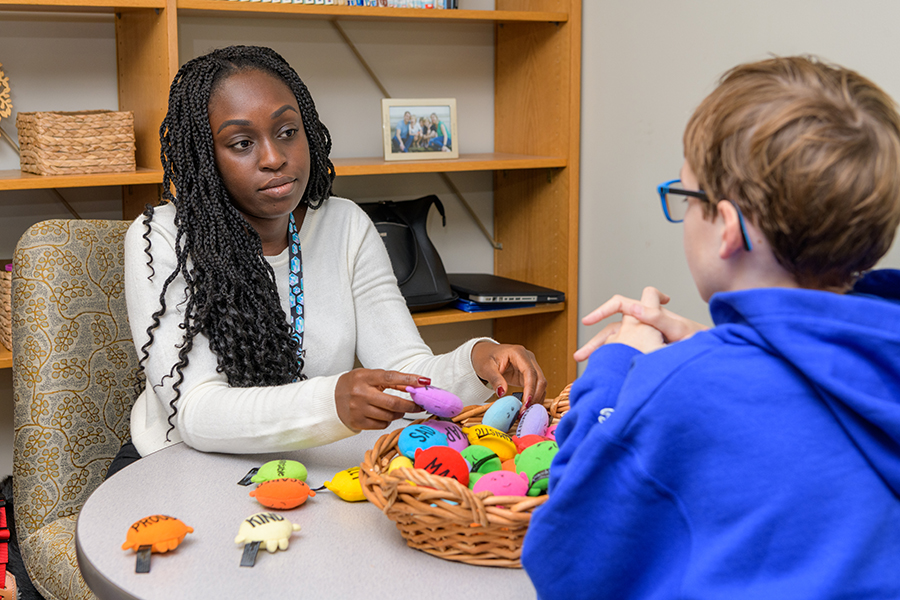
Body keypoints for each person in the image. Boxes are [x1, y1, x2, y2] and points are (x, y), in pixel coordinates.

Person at [522, 55, 900, 598]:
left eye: (685, 196)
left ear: (725, 227)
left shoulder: (680, 389)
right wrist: (714, 345)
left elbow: (568, 557)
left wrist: (615, 367)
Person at [118, 45, 546, 467]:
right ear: (204, 158)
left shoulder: (345, 225)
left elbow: (403, 368)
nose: (275, 158)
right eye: (242, 142)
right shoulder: (161, 239)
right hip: (176, 464)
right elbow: (196, 411)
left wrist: (475, 360)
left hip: (304, 462)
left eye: (288, 132)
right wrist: (332, 402)